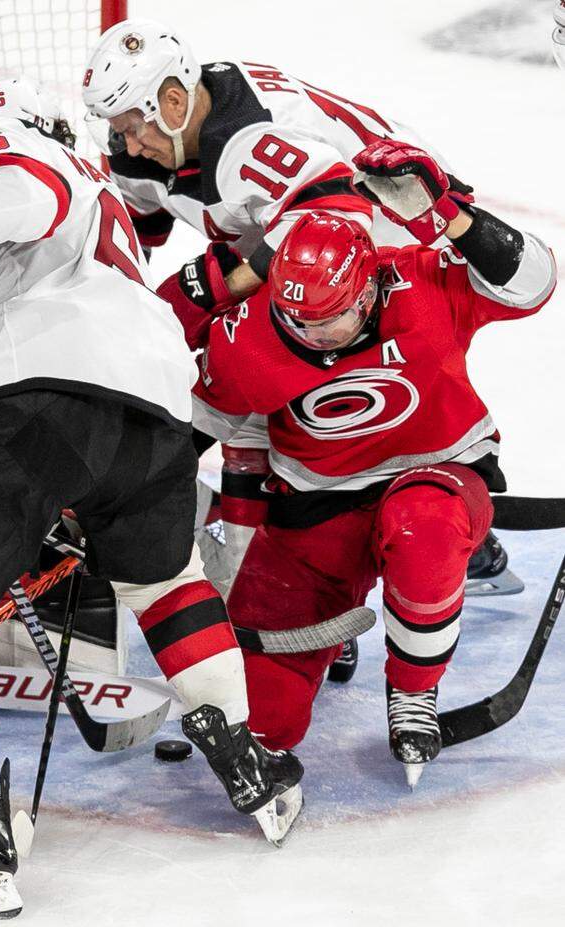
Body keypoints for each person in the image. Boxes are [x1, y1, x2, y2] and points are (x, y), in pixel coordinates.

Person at [0, 78, 305, 919]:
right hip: (159, 412)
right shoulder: (104, 190)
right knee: (167, 581)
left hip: (51, 394)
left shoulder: (13, 152)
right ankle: (248, 758)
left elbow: (23, 189)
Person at [81, 15, 523, 642]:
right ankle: (350, 566)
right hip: (313, 231)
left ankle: (421, 551)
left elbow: (338, 221)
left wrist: (204, 284)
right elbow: (134, 229)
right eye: (116, 129)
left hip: (394, 231)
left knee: (293, 386)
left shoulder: (251, 146)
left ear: (173, 104)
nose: (124, 144)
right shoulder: (162, 135)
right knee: (264, 388)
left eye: (130, 128)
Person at [195, 141, 556, 786]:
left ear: (370, 287)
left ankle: (414, 689)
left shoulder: (419, 280)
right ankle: (272, 735)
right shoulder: (247, 339)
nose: (315, 337)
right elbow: (196, 425)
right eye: (296, 320)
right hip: (312, 507)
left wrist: (451, 211)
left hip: (437, 476)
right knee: (257, 710)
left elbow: (536, 283)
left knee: (423, 528)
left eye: (330, 320)